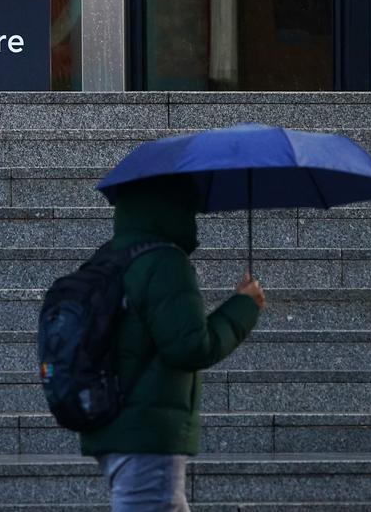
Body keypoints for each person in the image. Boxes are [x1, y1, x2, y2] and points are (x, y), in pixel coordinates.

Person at [80, 174, 265, 511]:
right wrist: (244, 306)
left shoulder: (111, 256)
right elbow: (189, 346)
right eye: (188, 205)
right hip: (147, 432)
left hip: (115, 425)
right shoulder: (164, 263)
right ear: (170, 207)